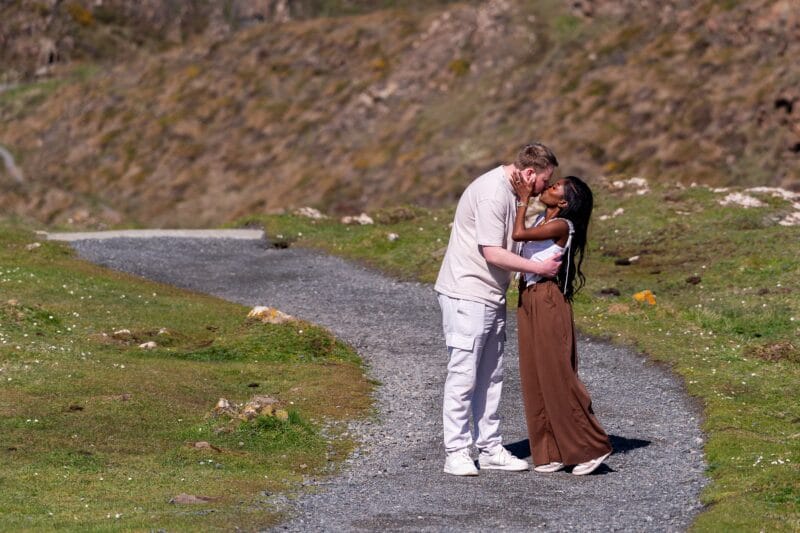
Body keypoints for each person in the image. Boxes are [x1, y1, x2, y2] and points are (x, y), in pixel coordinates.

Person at [434, 143, 562, 476]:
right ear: (529, 173)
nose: (546, 187)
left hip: (490, 294)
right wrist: (540, 269)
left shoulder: (514, 192)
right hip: (467, 293)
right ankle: (456, 451)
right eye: (544, 180)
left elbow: (516, 235)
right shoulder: (492, 193)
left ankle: (490, 447)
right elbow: (492, 252)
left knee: (491, 374)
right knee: (464, 374)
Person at [510, 174, 612, 476]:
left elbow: (518, 235)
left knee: (557, 373)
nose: (550, 187)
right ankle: (551, 451)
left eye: (555, 187)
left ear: (564, 202)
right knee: (535, 373)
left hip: (547, 299)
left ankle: (591, 447)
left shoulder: (562, 225)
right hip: (528, 296)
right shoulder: (542, 219)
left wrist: (523, 199)